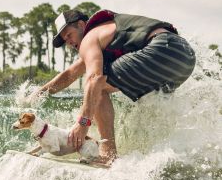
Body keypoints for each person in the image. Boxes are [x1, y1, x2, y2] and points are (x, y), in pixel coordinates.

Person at [38, 9, 196, 165]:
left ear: (81, 24)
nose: (69, 42)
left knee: (97, 87)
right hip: (185, 58)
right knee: (147, 102)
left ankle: (108, 154)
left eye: (69, 35)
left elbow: (95, 78)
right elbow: (70, 73)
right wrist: (39, 94)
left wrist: (83, 123)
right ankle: (166, 157)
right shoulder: (106, 32)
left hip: (161, 50)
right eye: (65, 40)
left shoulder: (90, 38)